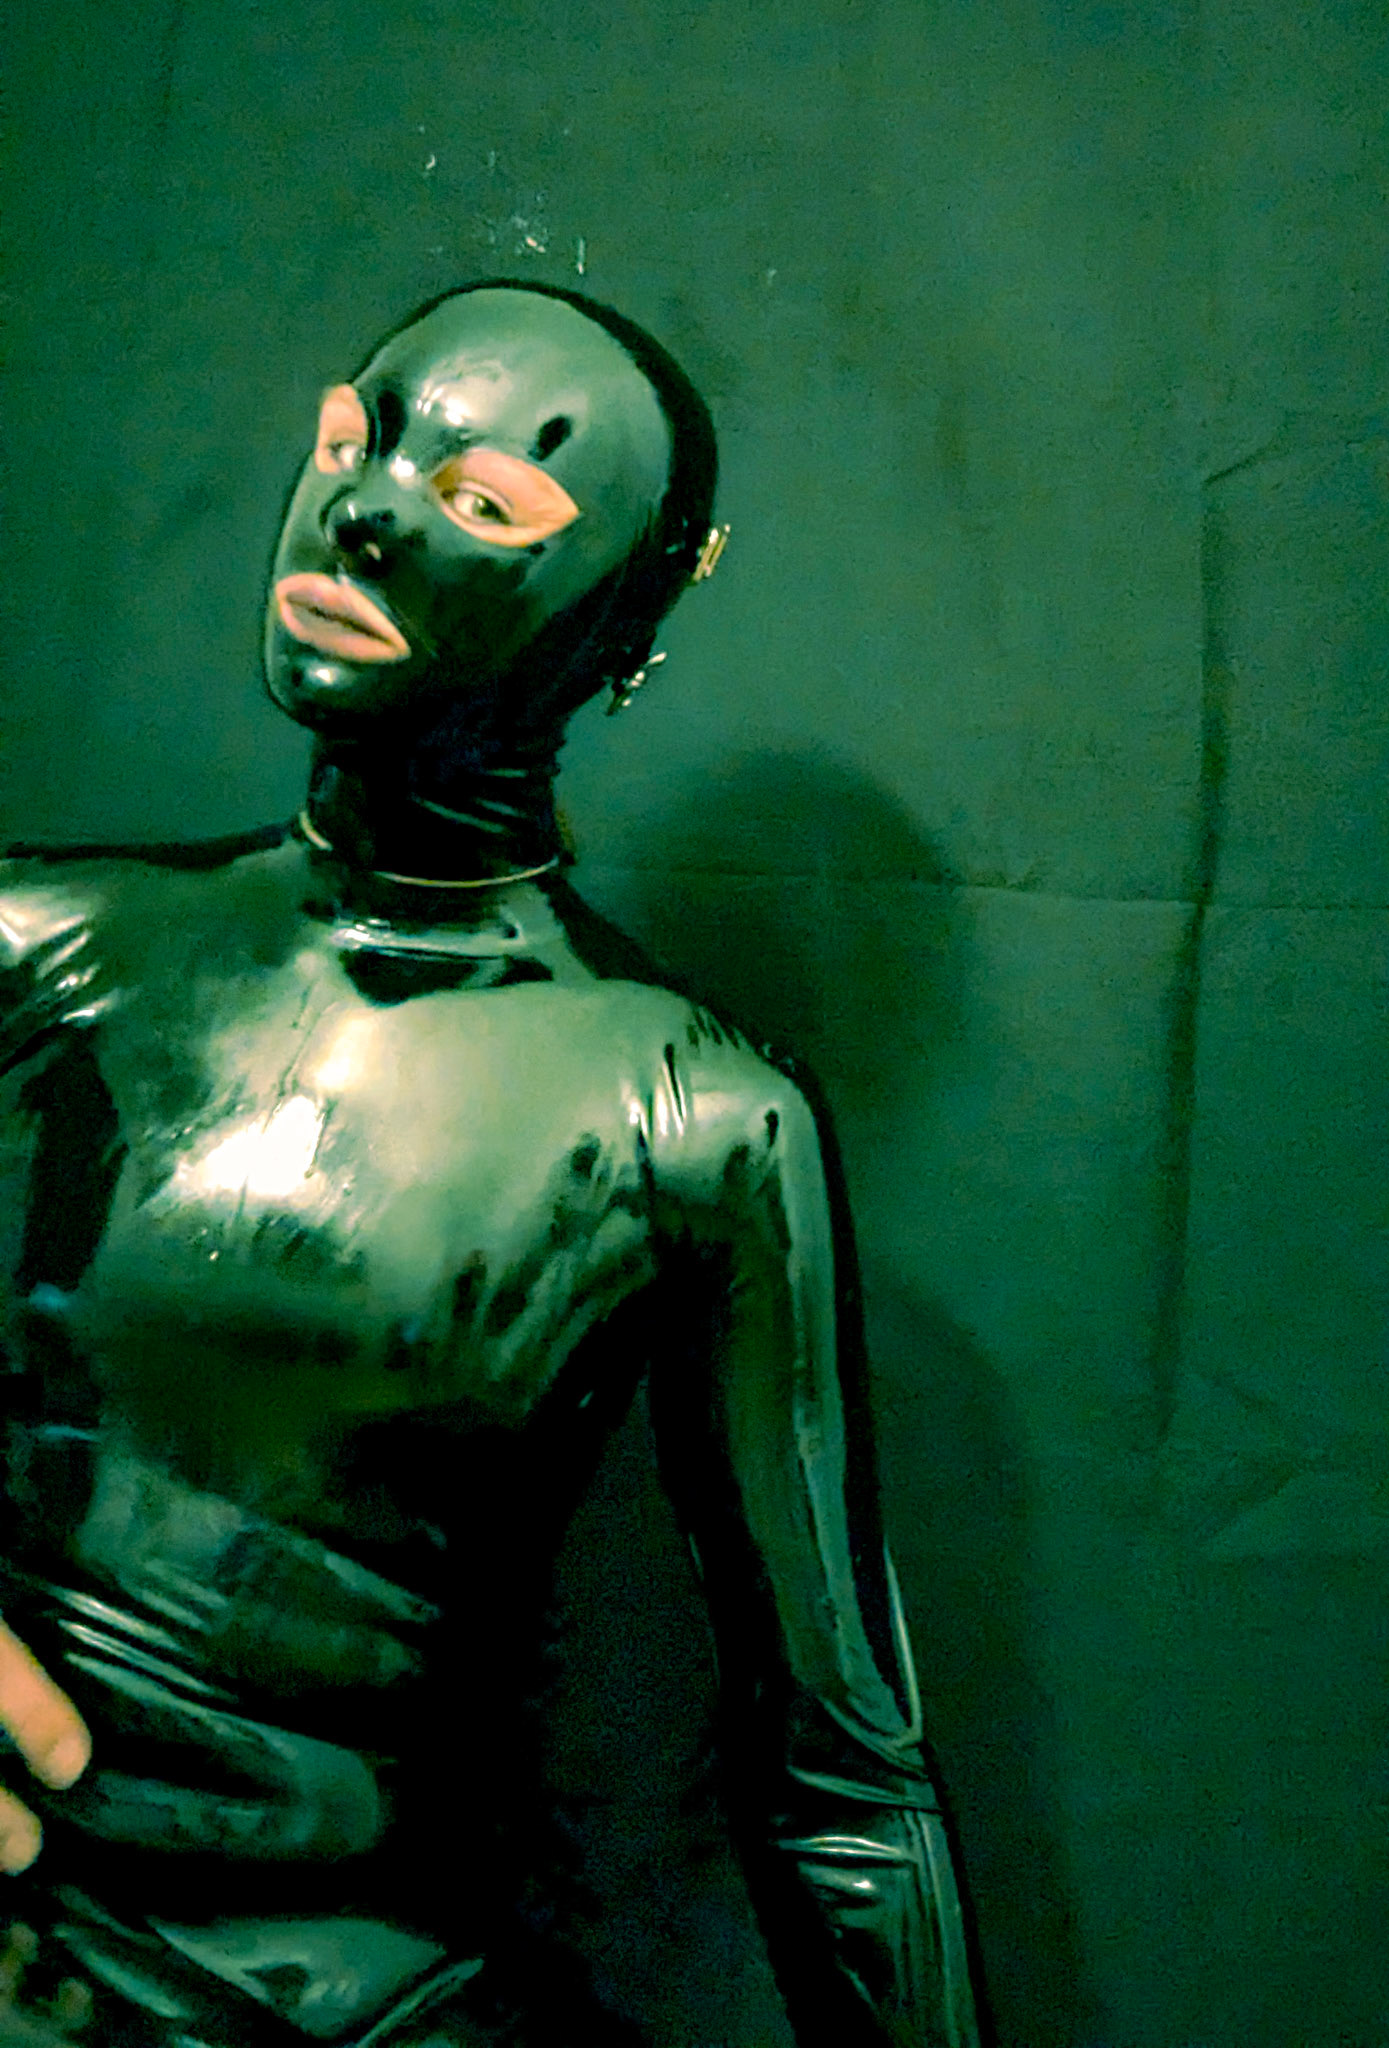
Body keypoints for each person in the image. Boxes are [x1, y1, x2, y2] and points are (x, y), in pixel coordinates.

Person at [0, 282, 981, 2047]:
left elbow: (840, 1781)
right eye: (352, 442)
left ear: (621, 614)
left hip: (363, 1998)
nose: (363, 511)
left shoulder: (692, 1120)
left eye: (480, 498)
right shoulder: (49, 942)